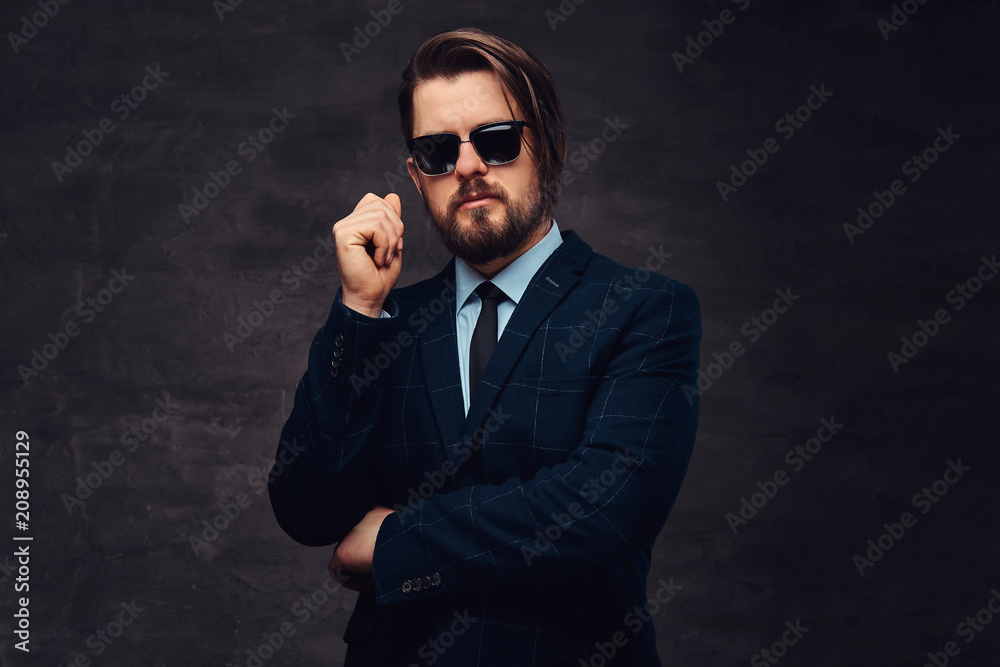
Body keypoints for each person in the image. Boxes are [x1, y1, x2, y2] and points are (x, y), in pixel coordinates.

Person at [268, 27, 701, 666]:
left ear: (545, 145)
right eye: (439, 152)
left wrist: (395, 541)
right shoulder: (386, 323)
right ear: (417, 178)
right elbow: (307, 511)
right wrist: (358, 313)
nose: (468, 167)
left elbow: (609, 502)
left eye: (495, 141)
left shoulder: (643, 308)